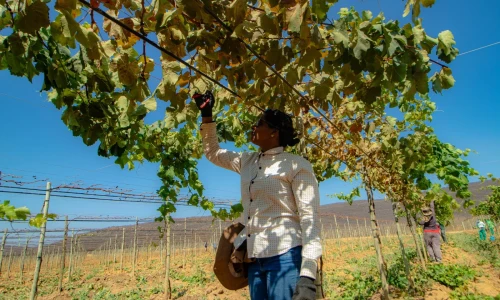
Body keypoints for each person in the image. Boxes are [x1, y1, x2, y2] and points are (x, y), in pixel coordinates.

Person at [195, 91, 322, 300]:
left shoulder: (296, 165)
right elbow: (212, 152)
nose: (253, 127)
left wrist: (308, 274)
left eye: (259, 123)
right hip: (254, 260)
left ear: (274, 132)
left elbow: (310, 218)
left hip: (286, 256)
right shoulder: (247, 161)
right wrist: (206, 115)